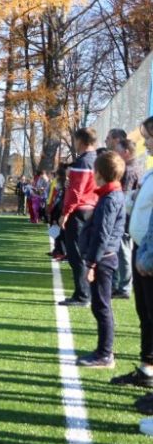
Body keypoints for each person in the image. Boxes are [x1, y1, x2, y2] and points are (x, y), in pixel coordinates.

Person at [113, 117, 153, 408]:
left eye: (149, 137)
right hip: (143, 250)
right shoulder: (150, 172)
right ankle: (147, 370)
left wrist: (148, 255)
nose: (146, 142)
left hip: (148, 254)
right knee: (146, 314)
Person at [77, 151, 127, 368]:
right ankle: (103, 350)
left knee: (101, 306)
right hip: (103, 258)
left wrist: (91, 264)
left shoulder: (110, 199)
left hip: (103, 260)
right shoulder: (110, 195)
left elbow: (102, 235)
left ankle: (105, 354)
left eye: (94, 171)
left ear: (100, 173)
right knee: (99, 305)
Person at [59, 128, 100, 308]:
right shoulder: (97, 159)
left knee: (76, 254)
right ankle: (81, 292)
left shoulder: (83, 161)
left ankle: (83, 295)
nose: (74, 144)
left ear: (81, 141)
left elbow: (76, 192)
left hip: (79, 211)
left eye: (75, 140)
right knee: (81, 253)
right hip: (91, 209)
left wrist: (65, 213)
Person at [113, 131, 141, 299]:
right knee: (122, 249)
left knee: (123, 250)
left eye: (118, 151)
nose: (115, 154)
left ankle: (124, 287)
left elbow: (125, 195)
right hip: (128, 215)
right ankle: (121, 284)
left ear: (126, 152)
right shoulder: (132, 167)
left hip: (126, 216)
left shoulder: (128, 170)